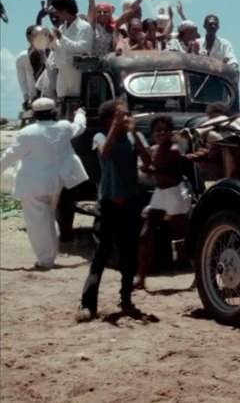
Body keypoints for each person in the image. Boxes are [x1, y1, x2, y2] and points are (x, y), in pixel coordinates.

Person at [76, 99, 152, 322]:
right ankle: (88, 304)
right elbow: (106, 153)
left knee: (129, 254)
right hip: (108, 204)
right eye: (121, 115)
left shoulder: (135, 137)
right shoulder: (100, 137)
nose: (127, 118)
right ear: (109, 120)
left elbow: (147, 161)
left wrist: (135, 134)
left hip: (130, 203)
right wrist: (116, 129)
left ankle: (126, 300)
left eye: (128, 115)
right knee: (101, 254)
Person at [0, 98, 88, 270]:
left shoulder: (28, 132)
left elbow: (10, 156)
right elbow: (80, 126)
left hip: (33, 185)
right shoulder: (64, 127)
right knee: (48, 218)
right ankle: (50, 254)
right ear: (54, 112)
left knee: (37, 223)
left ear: (34, 114)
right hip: (55, 183)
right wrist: (80, 114)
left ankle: (46, 260)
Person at [135, 116, 191, 290]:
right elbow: (149, 170)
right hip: (160, 194)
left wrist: (152, 171)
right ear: (152, 133)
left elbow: (172, 176)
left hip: (175, 194)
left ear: (170, 133)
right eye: (158, 130)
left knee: (184, 237)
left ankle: (200, 275)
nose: (162, 133)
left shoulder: (174, 151)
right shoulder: (153, 149)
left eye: (165, 130)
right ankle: (141, 278)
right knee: (145, 236)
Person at [48, 0, 93, 118]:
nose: (56, 14)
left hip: (76, 72)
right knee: (62, 103)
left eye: (57, 11)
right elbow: (58, 48)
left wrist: (62, 39)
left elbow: (82, 47)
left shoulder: (84, 27)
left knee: (76, 102)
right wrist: (51, 41)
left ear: (64, 10)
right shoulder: (62, 28)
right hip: (62, 71)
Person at [16, 26, 42, 111]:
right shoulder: (22, 57)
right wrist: (26, 98)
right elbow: (22, 80)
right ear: (30, 37)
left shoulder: (49, 51)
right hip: (33, 98)